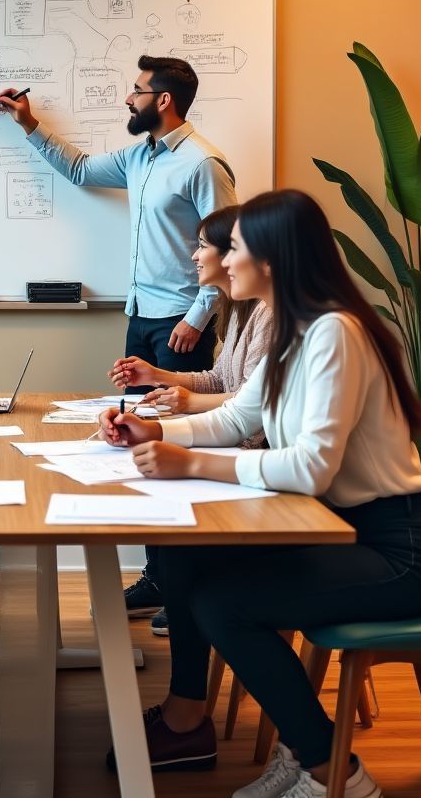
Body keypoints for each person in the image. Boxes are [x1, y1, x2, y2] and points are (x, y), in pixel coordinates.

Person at [98, 189, 421, 798]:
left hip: (397, 551)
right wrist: (154, 431)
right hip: (335, 530)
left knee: (225, 605)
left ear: (272, 256)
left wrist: (190, 465)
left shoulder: (333, 333)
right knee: (184, 557)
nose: (222, 262)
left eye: (233, 249)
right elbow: (237, 419)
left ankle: (331, 769)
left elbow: (312, 468)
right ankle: (282, 741)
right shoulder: (297, 328)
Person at [0, 55, 237, 618]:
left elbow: (226, 246)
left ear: (164, 100)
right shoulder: (140, 156)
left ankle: (186, 587)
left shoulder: (204, 164)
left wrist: (198, 318)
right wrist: (29, 124)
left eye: (136, 91)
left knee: (180, 443)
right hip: (141, 316)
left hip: (181, 323)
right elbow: (80, 170)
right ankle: (159, 578)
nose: (128, 100)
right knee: (140, 442)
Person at [107, 203, 273, 636]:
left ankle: (179, 591)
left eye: (204, 246)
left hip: (251, 450)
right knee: (160, 471)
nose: (195, 257)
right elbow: (222, 379)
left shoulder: (273, 316)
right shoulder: (240, 310)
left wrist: (182, 407)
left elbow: (246, 407)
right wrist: (158, 376)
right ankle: (169, 586)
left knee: (167, 483)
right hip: (240, 444)